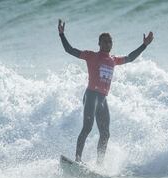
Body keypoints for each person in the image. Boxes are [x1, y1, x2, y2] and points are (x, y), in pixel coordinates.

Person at [58, 19, 153, 165]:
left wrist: (144, 45)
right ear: (99, 43)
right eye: (104, 41)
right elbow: (69, 50)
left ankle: (99, 164)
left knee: (105, 134)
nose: (107, 44)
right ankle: (77, 159)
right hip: (91, 95)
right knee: (87, 128)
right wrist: (61, 34)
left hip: (102, 99)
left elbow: (130, 58)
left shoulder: (113, 60)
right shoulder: (91, 56)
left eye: (109, 41)